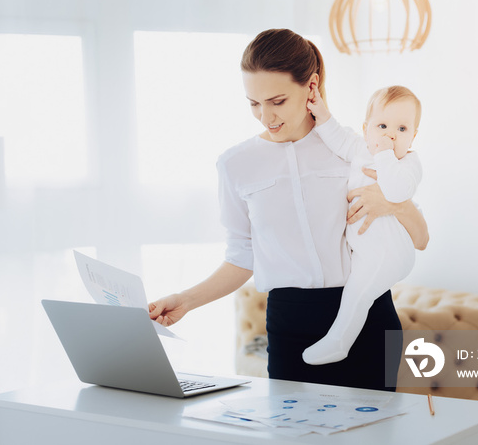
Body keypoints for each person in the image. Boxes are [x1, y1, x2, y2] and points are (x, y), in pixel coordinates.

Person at [148, 29, 429, 391]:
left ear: (311, 88)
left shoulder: (352, 148)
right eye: (254, 103)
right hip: (290, 323)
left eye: (277, 100)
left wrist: (393, 203)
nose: (266, 116)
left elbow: (420, 238)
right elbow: (241, 256)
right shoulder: (236, 165)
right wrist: (185, 301)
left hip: (368, 318)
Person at [301, 85, 422, 366]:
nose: (390, 135)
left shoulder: (409, 163)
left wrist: (385, 155)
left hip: (389, 252)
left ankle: (339, 342)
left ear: (413, 136)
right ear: (366, 129)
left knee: (357, 294)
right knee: (356, 288)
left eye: (402, 129)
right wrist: (319, 110)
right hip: (367, 250)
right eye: (382, 126)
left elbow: (396, 192)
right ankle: (339, 341)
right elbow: (337, 136)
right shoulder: (359, 148)